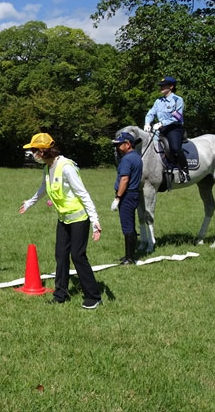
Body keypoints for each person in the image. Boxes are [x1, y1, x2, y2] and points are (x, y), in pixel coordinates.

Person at [19, 133, 103, 309]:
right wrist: (29, 203)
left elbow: (83, 193)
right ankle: (60, 294)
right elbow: (44, 188)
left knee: (78, 256)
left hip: (79, 218)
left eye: (34, 150)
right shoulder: (47, 168)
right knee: (61, 255)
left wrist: (95, 219)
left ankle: (93, 296)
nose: (32, 154)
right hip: (63, 219)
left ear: (43, 151)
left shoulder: (66, 167)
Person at [144, 76, 190, 183]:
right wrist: (147, 123)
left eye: (163, 86)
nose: (161, 88)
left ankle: (184, 171)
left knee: (175, 148)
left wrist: (161, 123)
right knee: (150, 146)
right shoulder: (158, 101)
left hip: (174, 128)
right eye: (161, 86)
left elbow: (177, 117)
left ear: (171, 86)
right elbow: (151, 113)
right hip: (161, 129)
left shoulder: (177, 100)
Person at [111, 132, 143, 265]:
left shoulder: (127, 159)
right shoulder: (137, 157)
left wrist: (118, 198)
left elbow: (124, 179)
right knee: (130, 224)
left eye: (120, 144)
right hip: (134, 194)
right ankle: (129, 255)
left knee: (127, 226)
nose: (118, 147)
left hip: (127, 195)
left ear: (128, 144)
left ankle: (129, 258)